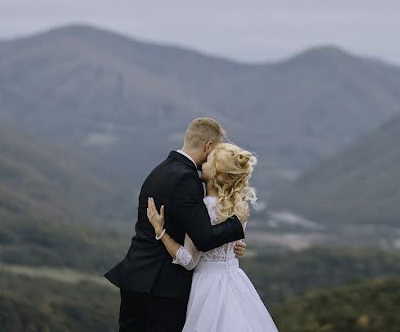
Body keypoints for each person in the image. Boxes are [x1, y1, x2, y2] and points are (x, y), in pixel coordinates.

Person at [105, 117, 247, 331]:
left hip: (135, 276)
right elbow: (205, 238)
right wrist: (237, 223)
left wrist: (230, 246)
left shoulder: (161, 169)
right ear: (208, 147)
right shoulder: (186, 179)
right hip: (162, 288)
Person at [146, 141, 278, 331]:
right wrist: (239, 248)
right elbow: (234, 244)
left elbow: (189, 260)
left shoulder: (204, 209)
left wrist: (161, 232)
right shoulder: (239, 208)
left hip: (208, 286)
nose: (201, 164)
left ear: (215, 172)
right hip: (236, 278)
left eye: (207, 161)